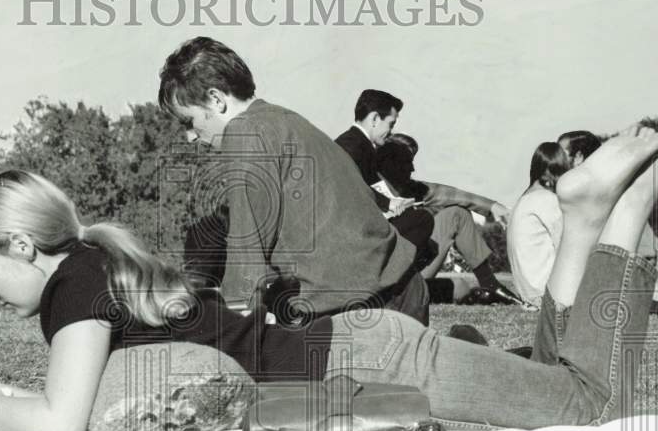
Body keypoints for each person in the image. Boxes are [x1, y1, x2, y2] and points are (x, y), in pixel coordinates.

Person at [0, 127, 658, 431]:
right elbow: (77, 394)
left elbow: (60, 420)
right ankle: (590, 218)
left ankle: (617, 214)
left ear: (19, 244)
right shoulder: (92, 268)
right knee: (552, 378)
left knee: (588, 402)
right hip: (357, 350)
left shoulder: (71, 287)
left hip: (361, 366)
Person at [157, 37, 430, 326]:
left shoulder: (244, 133)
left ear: (216, 99)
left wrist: (227, 331)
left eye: (189, 121)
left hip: (367, 312)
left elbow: (246, 258)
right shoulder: (289, 121)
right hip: (404, 290)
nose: (190, 136)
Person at [375, 132, 526, 306]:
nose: (413, 169)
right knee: (459, 289)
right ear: (390, 162)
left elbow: (451, 195)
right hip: (384, 274)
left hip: (412, 268)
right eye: (408, 162)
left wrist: (493, 206)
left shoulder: (412, 188)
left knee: (457, 215)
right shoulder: (369, 188)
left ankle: (490, 284)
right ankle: (410, 293)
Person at [558, 129, 658, 311]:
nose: (555, 161)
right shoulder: (610, 193)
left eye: (561, 155)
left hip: (636, 292)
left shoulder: (599, 199)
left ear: (578, 157)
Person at [333, 91, 437, 262]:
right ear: (374, 119)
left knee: (426, 240)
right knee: (423, 220)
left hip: (356, 225)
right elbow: (351, 189)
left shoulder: (356, 143)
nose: (390, 132)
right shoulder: (353, 146)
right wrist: (390, 204)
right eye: (390, 124)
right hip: (352, 233)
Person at [506, 142, 572, 307]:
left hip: (528, 293)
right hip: (546, 293)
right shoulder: (546, 200)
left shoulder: (523, 200)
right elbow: (567, 248)